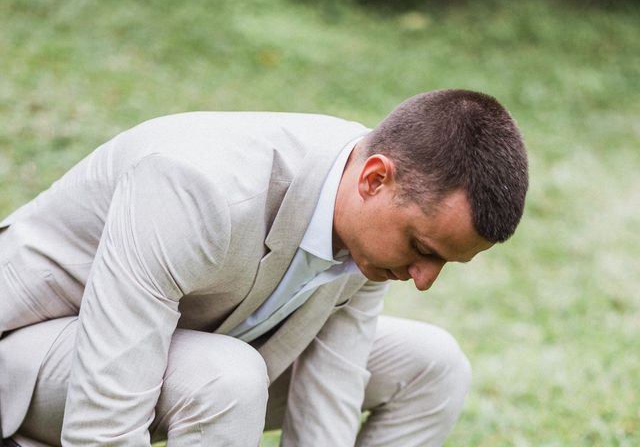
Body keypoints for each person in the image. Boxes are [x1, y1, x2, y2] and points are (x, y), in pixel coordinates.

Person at [0, 89, 528, 447]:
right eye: (422, 248)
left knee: (434, 365)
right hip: (32, 351)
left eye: (444, 264)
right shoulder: (199, 187)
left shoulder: (373, 226)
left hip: (198, 344)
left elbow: (330, 394)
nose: (424, 278)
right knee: (229, 377)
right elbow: (104, 422)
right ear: (373, 179)